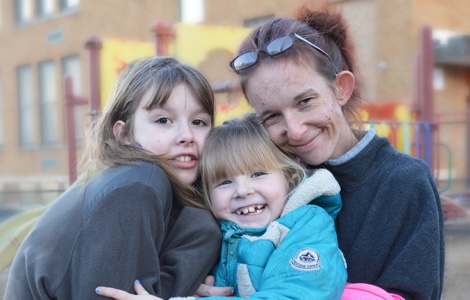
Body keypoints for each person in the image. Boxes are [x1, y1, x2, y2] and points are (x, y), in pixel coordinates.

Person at [224, 6, 444, 300]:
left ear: (341, 88)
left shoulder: (404, 183)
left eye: (304, 101)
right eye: (272, 117)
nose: (295, 130)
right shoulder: (266, 184)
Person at [4, 56, 222, 300]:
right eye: (163, 120)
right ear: (124, 134)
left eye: (199, 122)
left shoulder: (184, 210)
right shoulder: (140, 183)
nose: (187, 135)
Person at [97, 112, 348, 299]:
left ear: (289, 178)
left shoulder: (308, 225)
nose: (243, 190)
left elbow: (294, 294)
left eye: (258, 173)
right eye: (225, 181)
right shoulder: (220, 236)